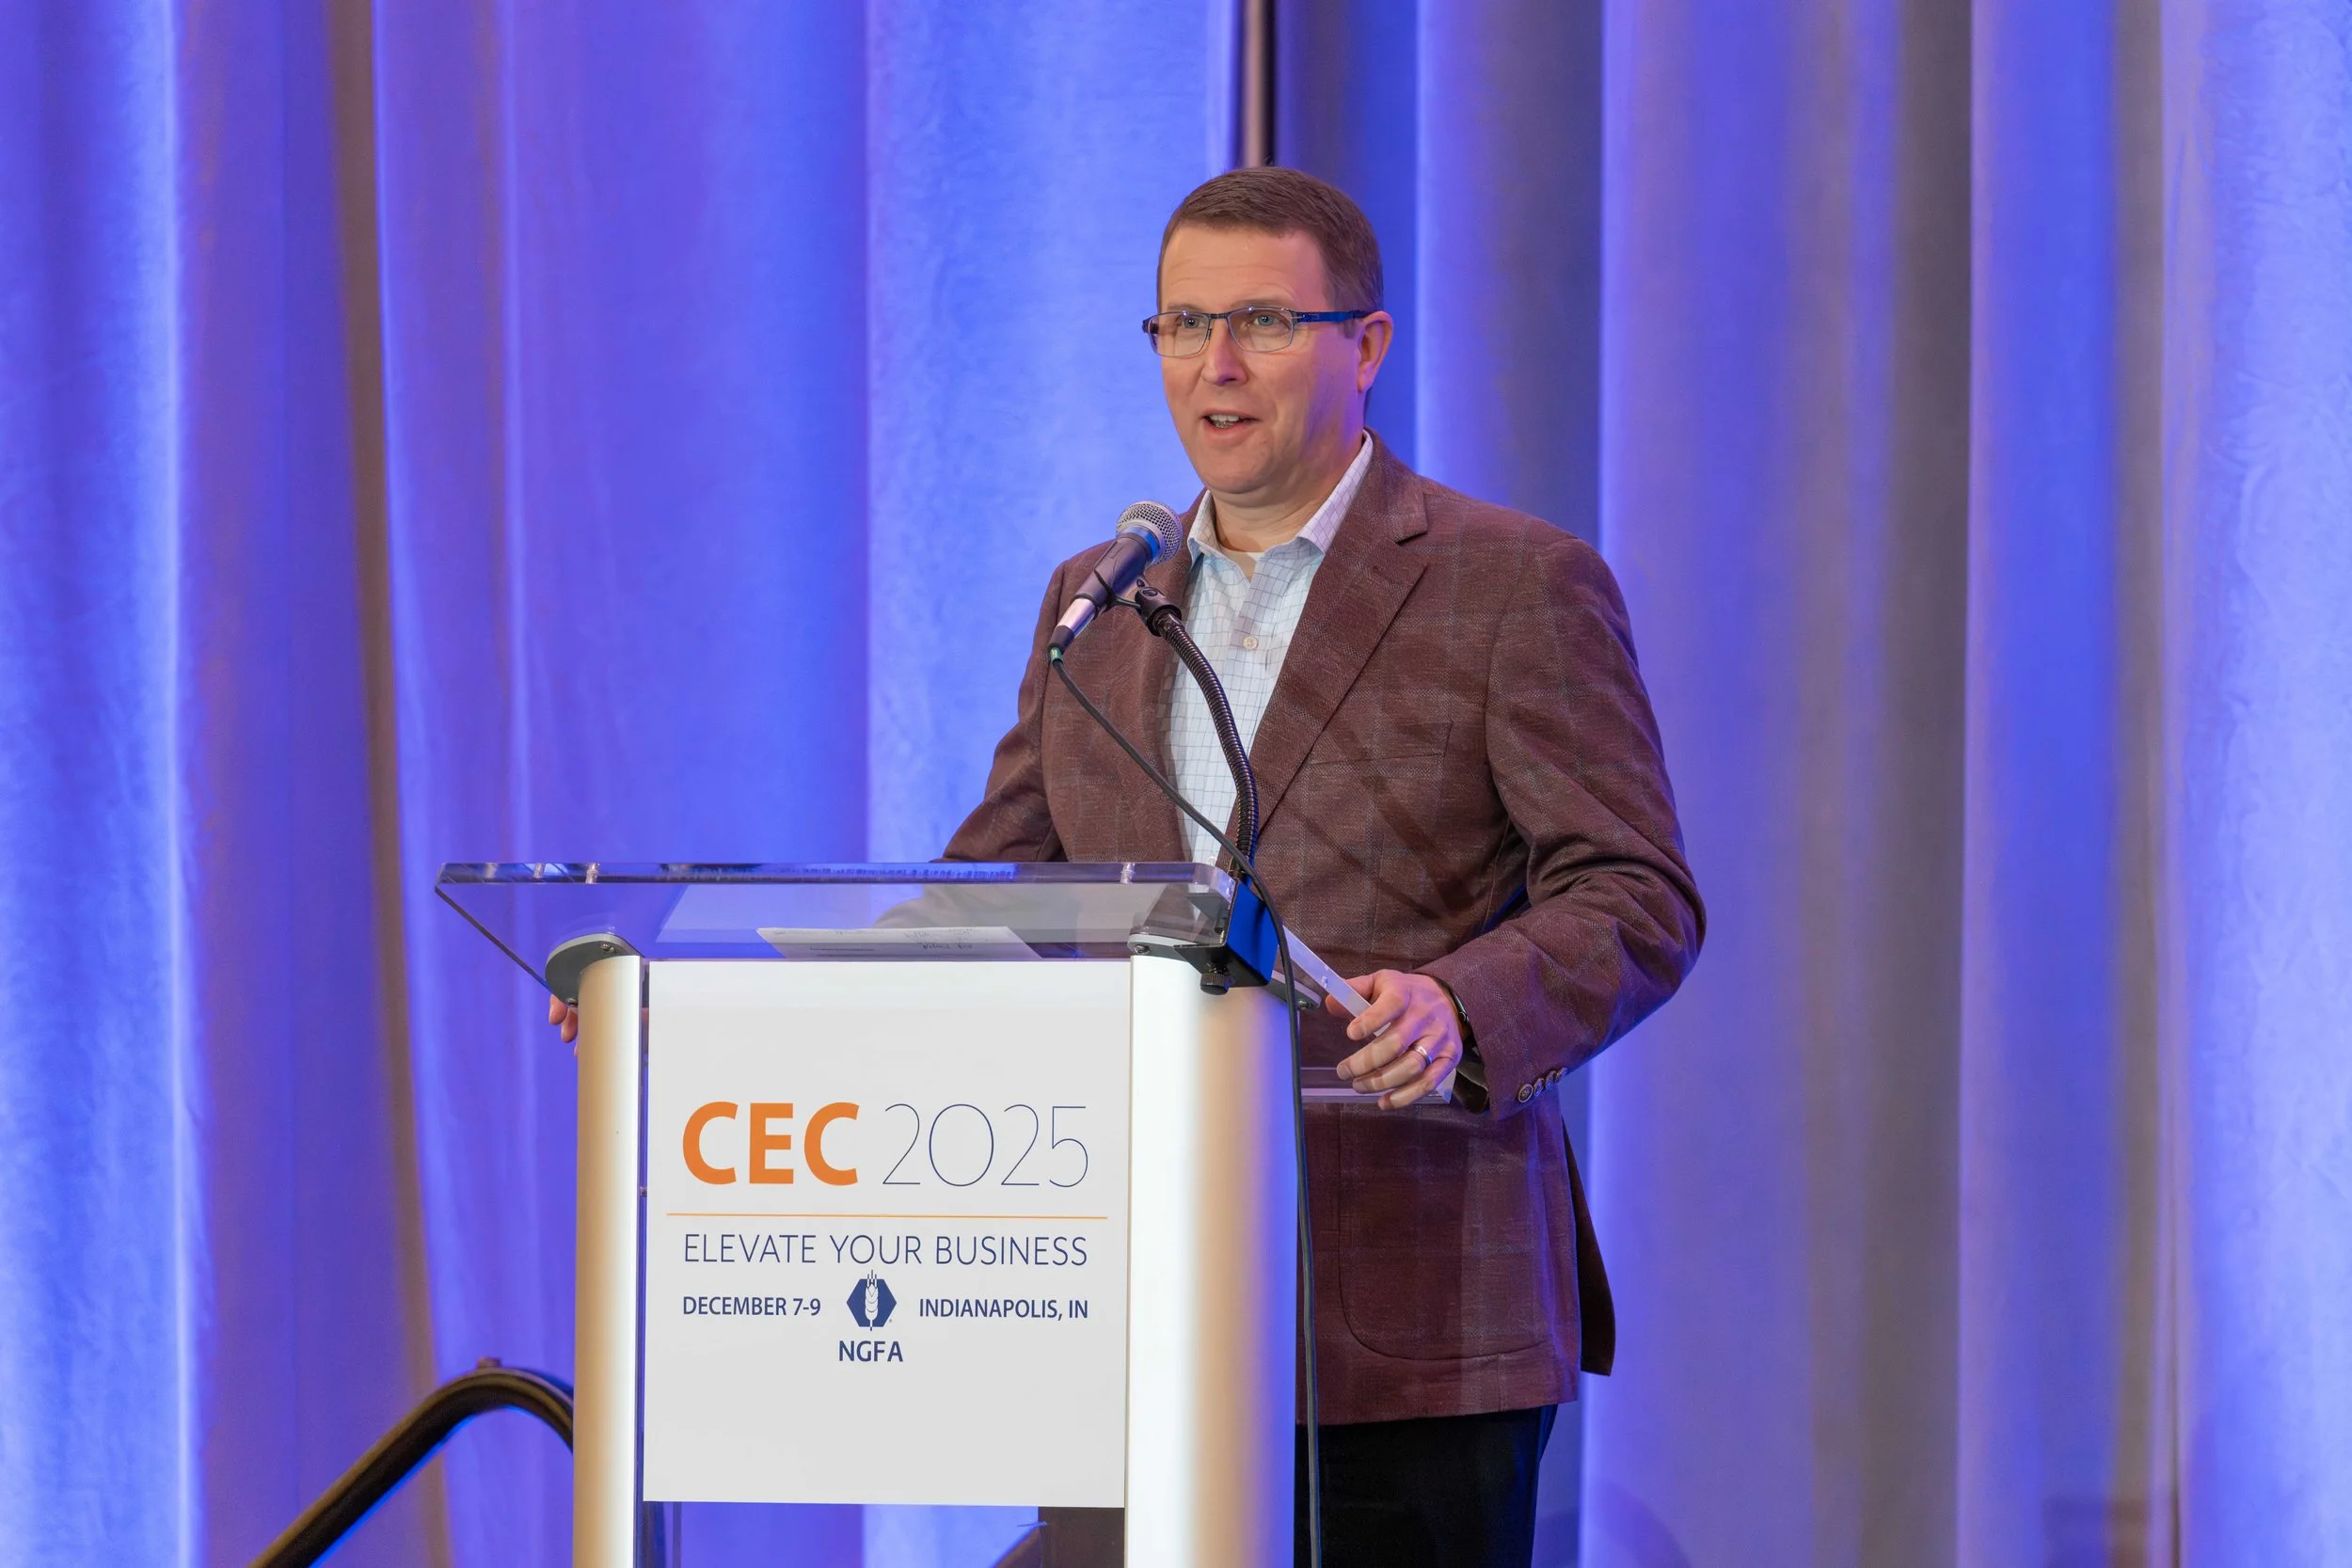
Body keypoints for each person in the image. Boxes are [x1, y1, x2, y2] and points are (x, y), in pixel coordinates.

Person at [945, 166, 1704, 1566]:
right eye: (1184, 325)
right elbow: (994, 898)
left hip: (1413, 1311)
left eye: (1264, 322)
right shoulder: (1099, 598)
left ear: (1367, 345)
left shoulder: (1512, 583)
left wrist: (1462, 1004)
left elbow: (1635, 892)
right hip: (1136, 1302)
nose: (1216, 365)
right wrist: (704, 1019)